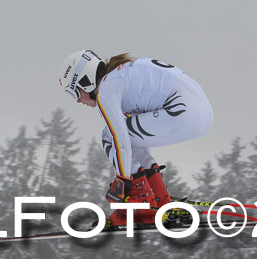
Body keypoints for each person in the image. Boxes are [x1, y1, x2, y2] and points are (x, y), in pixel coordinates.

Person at [58, 50, 213, 226]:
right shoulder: (121, 75)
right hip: (202, 113)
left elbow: (119, 136)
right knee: (129, 137)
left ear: (84, 81)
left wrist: (123, 180)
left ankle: (142, 207)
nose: (78, 101)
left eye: (74, 93)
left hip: (182, 110)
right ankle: (160, 200)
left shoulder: (106, 89)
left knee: (109, 137)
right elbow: (135, 141)